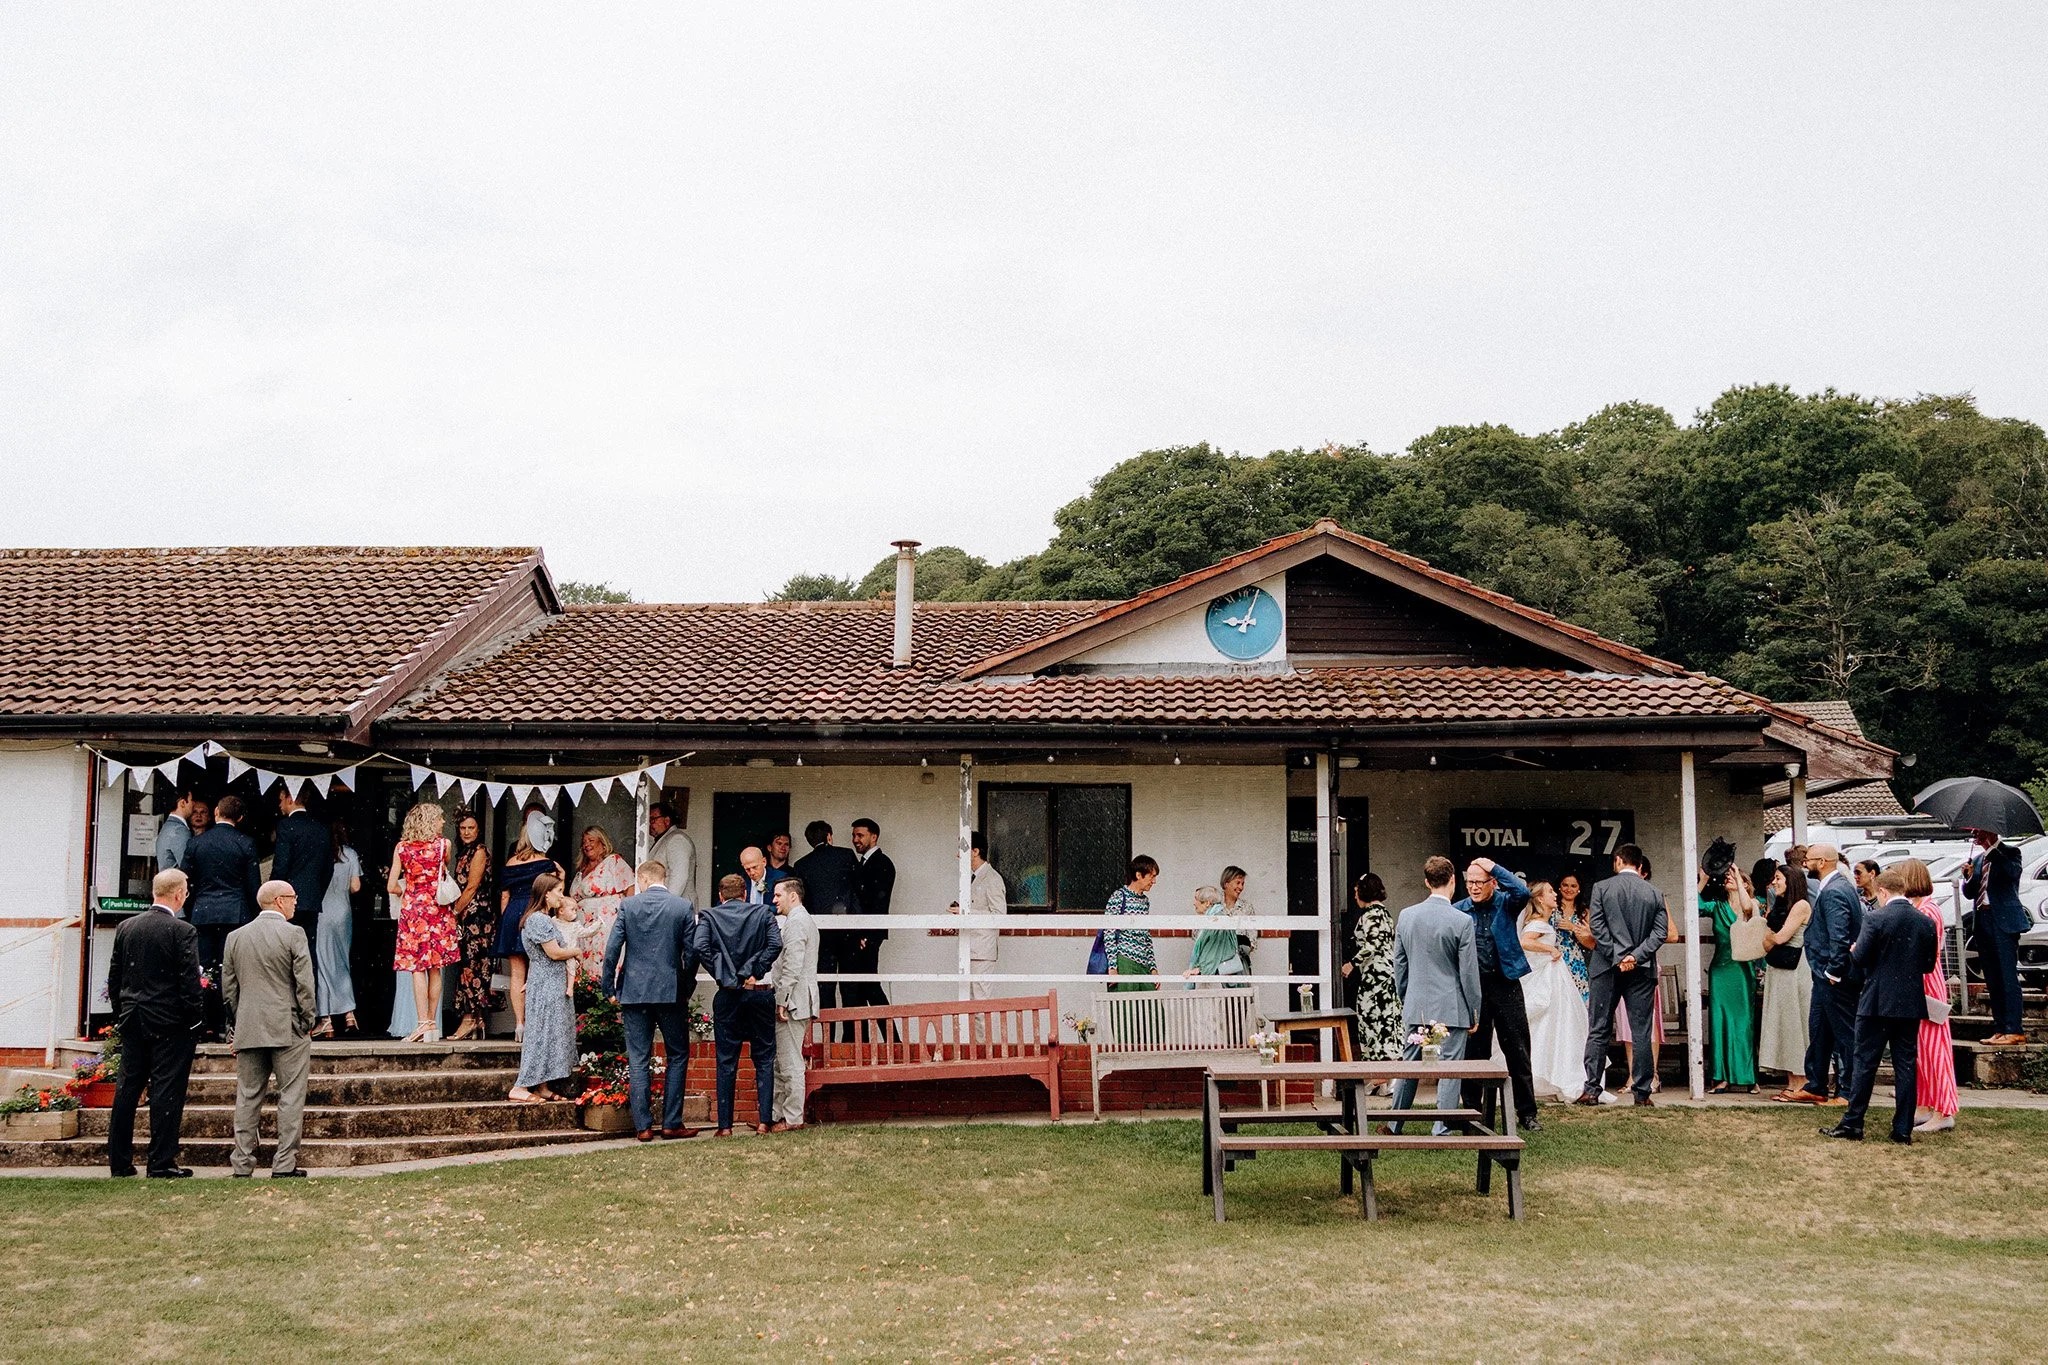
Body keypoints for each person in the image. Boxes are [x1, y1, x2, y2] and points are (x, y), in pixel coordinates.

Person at [1822, 863, 1939, 1144]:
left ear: (1883, 892)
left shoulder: (1876, 919)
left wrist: (1855, 950)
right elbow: (1927, 964)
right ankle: (1902, 1129)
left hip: (1876, 1000)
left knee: (1865, 1062)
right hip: (1909, 1002)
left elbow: (1859, 958)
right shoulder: (1925, 921)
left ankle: (1853, 1123)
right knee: (1906, 1065)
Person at [105, 868, 203, 1178]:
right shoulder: (182, 931)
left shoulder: (127, 927)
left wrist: (122, 1013)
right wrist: (193, 1021)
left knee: (127, 1089)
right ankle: (161, 1161)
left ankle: (119, 1161)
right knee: (167, 1090)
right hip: (169, 1021)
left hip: (134, 1017)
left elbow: (115, 977)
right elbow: (189, 983)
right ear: (179, 895)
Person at [223, 880, 316, 1177]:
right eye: (292, 898)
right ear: (278, 901)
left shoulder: (235, 937)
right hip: (287, 1025)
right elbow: (304, 983)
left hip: (249, 1025)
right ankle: (284, 1163)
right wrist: (307, 1019)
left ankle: (242, 1163)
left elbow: (229, 988)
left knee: (248, 1095)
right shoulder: (293, 934)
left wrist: (238, 1023)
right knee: (290, 1095)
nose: (295, 903)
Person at [603, 859, 698, 1141]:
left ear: (643, 880)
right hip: (671, 992)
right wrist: (686, 985)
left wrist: (608, 987)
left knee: (638, 1058)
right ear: (663, 878)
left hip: (634, 991)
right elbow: (692, 953)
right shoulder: (681, 907)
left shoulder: (629, 906)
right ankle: (671, 1123)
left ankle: (643, 1126)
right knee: (678, 1055)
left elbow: (612, 950)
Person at [1388, 857, 1482, 1134]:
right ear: (1453, 880)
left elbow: (1400, 964)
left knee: (1410, 1065)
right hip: (1451, 1005)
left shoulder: (1406, 916)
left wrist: (1406, 995)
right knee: (1450, 1067)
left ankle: (1395, 1123)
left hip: (1417, 1003)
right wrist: (1474, 1009)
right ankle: (1442, 1125)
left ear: (1427, 882)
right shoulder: (1462, 921)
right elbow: (1468, 973)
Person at [691, 873, 783, 1135]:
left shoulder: (710, 916)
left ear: (721, 896)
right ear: (745, 893)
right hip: (758, 992)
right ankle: (765, 1121)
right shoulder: (763, 913)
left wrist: (724, 975)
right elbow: (776, 944)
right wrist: (755, 969)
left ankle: (725, 1126)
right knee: (764, 1057)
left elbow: (700, 947)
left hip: (728, 994)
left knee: (726, 1060)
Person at [1455, 857, 1540, 1130]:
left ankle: (1526, 1113)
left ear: (1492, 882)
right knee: (1474, 1052)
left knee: (1517, 1049)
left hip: (1506, 984)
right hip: (1474, 989)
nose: (1474, 887)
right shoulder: (1459, 911)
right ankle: (1471, 1112)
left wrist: (1492, 866)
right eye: (1470, 882)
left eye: (1480, 882)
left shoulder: (1506, 902)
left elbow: (1523, 892)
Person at [1579, 844, 1667, 1108]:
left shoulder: (1602, 888)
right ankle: (1642, 1093)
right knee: (1641, 1031)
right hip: (1641, 970)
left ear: (1618, 861)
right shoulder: (1653, 893)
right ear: (1640, 866)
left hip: (1606, 967)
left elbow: (1597, 926)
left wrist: (1617, 955)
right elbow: (1659, 933)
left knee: (1599, 1027)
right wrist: (1636, 956)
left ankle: (1592, 1088)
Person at [1782, 844, 1862, 1105]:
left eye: (1809, 860)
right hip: (1823, 975)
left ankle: (1848, 1091)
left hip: (1833, 977)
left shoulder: (1836, 891)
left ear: (1824, 861)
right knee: (1819, 1030)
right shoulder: (1832, 887)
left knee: (1843, 1034)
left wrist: (1833, 972)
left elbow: (1840, 936)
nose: (1804, 865)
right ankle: (1816, 1084)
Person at [185, 793, 259, 1033]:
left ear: (216, 812)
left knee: (204, 969)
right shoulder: (245, 843)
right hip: (235, 913)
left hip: (203, 913)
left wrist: (193, 907)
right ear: (239, 817)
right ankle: (229, 1022)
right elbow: (253, 885)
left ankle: (205, 1021)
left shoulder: (197, 843)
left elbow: (187, 882)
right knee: (232, 968)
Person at [387, 802, 458, 1043]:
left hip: (414, 911)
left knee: (417, 968)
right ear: (430, 821)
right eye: (439, 818)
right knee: (436, 967)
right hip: (437, 909)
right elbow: (442, 870)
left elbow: (391, 885)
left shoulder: (402, 848)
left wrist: (405, 891)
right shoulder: (443, 845)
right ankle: (432, 1023)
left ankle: (422, 1023)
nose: (443, 823)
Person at [1899, 858, 1960, 1134]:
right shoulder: (1920, 909)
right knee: (1921, 1050)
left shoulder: (1929, 912)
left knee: (1936, 1049)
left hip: (1927, 982)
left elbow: (1927, 952)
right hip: (1917, 981)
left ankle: (1944, 1109)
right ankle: (1924, 1104)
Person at [511, 872, 582, 1103]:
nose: (561, 898)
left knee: (549, 1033)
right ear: (546, 893)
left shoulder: (543, 919)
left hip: (549, 981)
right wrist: (577, 952)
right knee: (540, 1034)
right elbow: (554, 952)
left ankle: (541, 1086)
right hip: (546, 984)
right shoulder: (538, 920)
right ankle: (520, 1087)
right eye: (559, 892)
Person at [1518, 881, 1591, 1100]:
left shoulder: (1544, 921)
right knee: (1543, 1027)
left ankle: (1547, 1076)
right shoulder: (1537, 923)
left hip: (1551, 978)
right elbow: (1525, 941)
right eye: (1550, 892)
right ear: (1539, 898)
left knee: (1553, 1028)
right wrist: (1550, 948)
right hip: (1543, 980)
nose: (1555, 895)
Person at [497, 807, 564, 1042]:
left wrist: (508, 922)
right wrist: (562, 879)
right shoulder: (547, 864)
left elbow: (504, 897)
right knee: (537, 970)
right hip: (534, 912)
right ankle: (536, 1025)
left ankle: (519, 1024)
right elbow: (553, 897)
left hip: (513, 913)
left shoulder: (511, 862)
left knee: (517, 973)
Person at [1963, 829, 2028, 1046]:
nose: (1976, 836)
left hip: (2004, 921)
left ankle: (2014, 1028)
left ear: (1991, 832)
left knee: (2007, 974)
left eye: (1979, 832)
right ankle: (2000, 1028)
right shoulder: (1980, 859)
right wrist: (1969, 876)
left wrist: (1993, 850)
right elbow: (1971, 893)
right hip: (1983, 920)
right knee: (1991, 977)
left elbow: (2012, 874)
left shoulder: (2010, 853)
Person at [792, 820, 862, 1017]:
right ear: (829, 836)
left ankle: (828, 1038)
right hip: (848, 931)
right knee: (850, 985)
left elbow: (802, 902)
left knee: (825, 984)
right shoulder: (846, 855)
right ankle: (851, 1036)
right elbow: (857, 892)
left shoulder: (802, 865)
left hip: (820, 933)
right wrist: (861, 929)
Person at [1760, 860, 1814, 1099]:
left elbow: (1780, 937)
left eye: (1779, 879)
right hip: (1778, 968)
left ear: (1790, 881)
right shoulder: (1780, 905)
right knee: (1782, 1022)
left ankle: (1803, 1080)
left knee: (1795, 1022)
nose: (1774, 883)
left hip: (1795, 968)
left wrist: (1770, 938)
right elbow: (1765, 938)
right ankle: (1792, 1080)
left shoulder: (1801, 905)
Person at [1705, 860, 1759, 1094]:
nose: (1728, 878)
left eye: (1735, 878)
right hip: (1720, 970)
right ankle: (1721, 1076)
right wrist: (1704, 878)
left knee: (1743, 1023)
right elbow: (1693, 904)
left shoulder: (1755, 904)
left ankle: (1749, 1077)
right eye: (1727, 877)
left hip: (1742, 969)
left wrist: (1738, 875)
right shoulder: (1716, 906)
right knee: (1720, 1022)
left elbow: (1747, 909)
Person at [770, 877, 819, 1132]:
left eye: (778, 895)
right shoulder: (799, 921)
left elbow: (792, 965)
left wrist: (783, 1000)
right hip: (798, 1000)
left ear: (793, 896)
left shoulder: (797, 923)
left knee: (789, 1063)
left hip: (794, 1002)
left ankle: (792, 1119)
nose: (774, 900)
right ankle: (778, 1115)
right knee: (782, 1061)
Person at [445, 812, 496, 1041]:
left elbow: (472, 887)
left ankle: (470, 1019)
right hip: (468, 917)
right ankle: (475, 1019)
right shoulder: (463, 852)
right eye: (463, 828)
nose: (466, 832)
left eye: (471, 828)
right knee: (467, 966)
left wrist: (455, 912)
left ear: (478, 830)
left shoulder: (479, 851)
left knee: (472, 967)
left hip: (477, 918)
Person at [312, 821, 361, 1038]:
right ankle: (349, 1013)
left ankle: (326, 1019)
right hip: (343, 912)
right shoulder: (350, 853)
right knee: (342, 962)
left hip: (323, 911)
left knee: (323, 964)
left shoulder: (319, 852)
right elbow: (355, 887)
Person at [1346, 874, 1402, 1061]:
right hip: (1388, 972)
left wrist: (1351, 963)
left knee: (1371, 1017)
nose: (1355, 897)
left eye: (1356, 892)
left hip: (1375, 975)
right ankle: (1388, 1068)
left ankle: (1379, 1065)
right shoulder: (1385, 913)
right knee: (1387, 1018)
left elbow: (1371, 945)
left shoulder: (1371, 915)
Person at [569, 827, 635, 982]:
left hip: (605, 925)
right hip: (583, 928)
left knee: (604, 961)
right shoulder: (582, 870)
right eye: (584, 842)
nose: (586, 845)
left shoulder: (614, 862)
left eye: (591, 840)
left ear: (603, 844)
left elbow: (631, 890)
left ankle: (607, 1002)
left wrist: (627, 921)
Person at [844, 817, 895, 1013]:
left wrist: (866, 934)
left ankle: (894, 1039)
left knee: (870, 986)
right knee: (864, 986)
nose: (855, 839)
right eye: (853, 835)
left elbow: (878, 903)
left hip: (868, 936)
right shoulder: (865, 863)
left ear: (874, 837)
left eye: (860, 835)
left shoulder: (882, 863)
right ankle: (868, 1038)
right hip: (863, 934)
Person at [951, 833, 1008, 1002]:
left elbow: (999, 915)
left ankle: (984, 1031)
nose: (958, 855)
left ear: (975, 851)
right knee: (969, 1002)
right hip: (969, 948)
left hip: (982, 951)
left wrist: (966, 913)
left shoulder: (992, 879)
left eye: (962, 849)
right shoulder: (972, 878)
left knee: (980, 1003)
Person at [270, 787, 329, 948]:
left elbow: (281, 864)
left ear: (290, 799)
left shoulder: (286, 825)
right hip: (311, 900)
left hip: (286, 899)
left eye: (281, 800)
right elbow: (327, 869)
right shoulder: (321, 828)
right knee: (308, 949)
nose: (280, 805)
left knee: (284, 949)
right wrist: (316, 891)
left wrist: (273, 893)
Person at [1104, 855, 1160, 991]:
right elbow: (1109, 932)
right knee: (1126, 1007)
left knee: (1151, 1008)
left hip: (1143, 962)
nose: (1154, 881)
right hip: (1125, 959)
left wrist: (1153, 967)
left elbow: (1146, 936)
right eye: (1151, 877)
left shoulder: (1145, 901)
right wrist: (1113, 967)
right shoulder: (1119, 896)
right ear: (1139, 875)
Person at [1184, 885, 1247, 984]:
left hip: (1215, 981)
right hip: (1218, 977)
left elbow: (1213, 953)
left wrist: (1198, 970)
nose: (1194, 903)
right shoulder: (1218, 917)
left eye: (1196, 899)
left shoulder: (1216, 921)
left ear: (1207, 903)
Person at [646, 800, 698, 903]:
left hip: (674, 907)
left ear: (667, 821)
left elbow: (679, 877)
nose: (648, 824)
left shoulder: (677, 839)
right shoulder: (666, 839)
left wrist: (667, 905)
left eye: (652, 820)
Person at [1553, 873, 1593, 1002]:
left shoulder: (1584, 912)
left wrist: (1573, 928)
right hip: (1553, 957)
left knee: (1577, 1000)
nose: (1568, 889)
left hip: (1574, 960)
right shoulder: (1551, 907)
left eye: (1573, 886)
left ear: (1579, 889)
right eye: (1565, 885)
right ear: (1559, 887)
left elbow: (1591, 944)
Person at [156, 790, 196, 873]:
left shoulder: (168, 826)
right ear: (182, 803)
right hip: (177, 883)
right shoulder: (179, 830)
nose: (194, 804)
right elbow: (187, 866)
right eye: (191, 800)